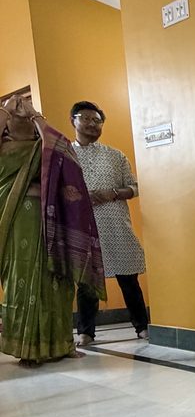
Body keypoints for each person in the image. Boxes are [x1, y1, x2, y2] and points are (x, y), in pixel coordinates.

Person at [0, 94, 104, 365]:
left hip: (52, 222)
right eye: (13, 116)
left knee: (58, 280)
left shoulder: (47, 146)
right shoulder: (4, 146)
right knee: (22, 279)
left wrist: (35, 116)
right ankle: (28, 348)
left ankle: (61, 343)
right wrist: (7, 111)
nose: (19, 112)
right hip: (16, 224)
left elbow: (62, 149)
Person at [70, 100, 149, 345]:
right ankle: (86, 332)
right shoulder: (66, 156)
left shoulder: (115, 155)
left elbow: (135, 187)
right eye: (86, 118)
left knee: (129, 279)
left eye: (97, 120)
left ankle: (142, 327)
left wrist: (112, 193)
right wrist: (81, 197)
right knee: (87, 282)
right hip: (83, 226)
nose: (92, 124)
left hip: (116, 226)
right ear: (73, 121)